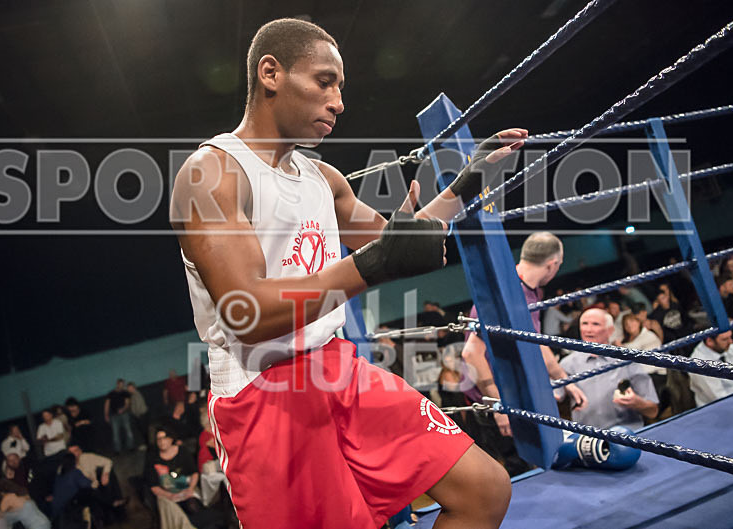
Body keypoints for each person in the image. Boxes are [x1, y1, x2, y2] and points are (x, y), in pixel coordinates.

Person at [170, 18, 524, 528]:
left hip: (339, 367)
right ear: (270, 73)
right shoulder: (213, 173)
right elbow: (247, 314)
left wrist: (463, 187)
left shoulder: (324, 178)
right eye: (324, 81)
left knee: (484, 490)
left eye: (341, 87)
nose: (338, 101)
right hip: (263, 392)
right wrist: (374, 264)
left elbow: (390, 244)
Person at [462, 232, 588, 439]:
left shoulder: (529, 292)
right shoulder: (504, 293)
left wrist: (565, 382)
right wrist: (498, 406)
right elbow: (471, 354)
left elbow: (536, 342)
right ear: (552, 264)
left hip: (513, 396)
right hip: (493, 404)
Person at [559, 309, 659, 430]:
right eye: (584, 324)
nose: (588, 330)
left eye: (596, 324)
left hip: (627, 436)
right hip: (588, 440)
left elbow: (653, 411)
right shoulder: (568, 364)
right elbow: (554, 396)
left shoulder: (626, 361)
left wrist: (637, 403)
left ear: (610, 330)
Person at [146, 426, 220, 529]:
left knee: (193, 506)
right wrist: (169, 495)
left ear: (171, 439)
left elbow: (194, 473)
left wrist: (190, 488)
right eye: (159, 439)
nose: (162, 442)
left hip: (186, 489)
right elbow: (153, 486)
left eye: (164, 438)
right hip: (166, 495)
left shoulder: (182, 451)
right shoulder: (153, 459)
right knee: (177, 514)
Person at [66, 445, 126, 522]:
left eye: (76, 450)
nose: (75, 454)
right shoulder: (68, 465)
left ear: (80, 451)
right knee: (90, 490)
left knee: (108, 477)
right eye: (71, 452)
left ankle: (115, 510)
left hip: (94, 486)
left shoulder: (88, 457)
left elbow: (108, 461)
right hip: (80, 492)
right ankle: (113, 504)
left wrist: (105, 474)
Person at [688, 330, 733, 407]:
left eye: (730, 337)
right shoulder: (700, 364)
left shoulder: (726, 348)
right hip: (716, 408)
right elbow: (719, 397)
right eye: (725, 339)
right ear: (709, 341)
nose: (731, 341)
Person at [104, 379, 134, 454]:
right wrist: (106, 415)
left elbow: (127, 403)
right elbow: (107, 405)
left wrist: (123, 409)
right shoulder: (111, 394)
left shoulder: (125, 393)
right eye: (120, 384)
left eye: (122, 385)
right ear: (117, 384)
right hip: (114, 415)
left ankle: (130, 447)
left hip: (124, 414)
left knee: (128, 431)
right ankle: (117, 450)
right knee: (115, 434)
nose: (121, 386)